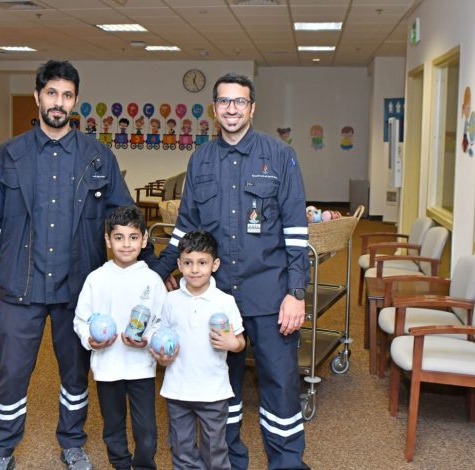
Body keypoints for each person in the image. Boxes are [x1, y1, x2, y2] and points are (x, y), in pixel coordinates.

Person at [0, 60, 150, 470]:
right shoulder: (10, 155)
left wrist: (153, 271)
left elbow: (126, 219)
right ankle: (2, 449)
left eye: (67, 95)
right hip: (20, 286)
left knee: (76, 374)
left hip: (77, 290)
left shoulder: (98, 157)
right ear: (38, 96)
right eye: (51, 93)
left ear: (75, 101)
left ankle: (72, 442)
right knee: (11, 373)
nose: (58, 102)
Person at [152, 72, 311, 470]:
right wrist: (155, 273)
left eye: (240, 101)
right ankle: (230, 462)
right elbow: (186, 229)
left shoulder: (280, 155)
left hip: (270, 295)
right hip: (217, 299)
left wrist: (296, 293)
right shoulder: (201, 160)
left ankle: (287, 463)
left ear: (252, 108)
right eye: (224, 101)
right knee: (223, 388)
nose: (232, 108)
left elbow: (296, 231)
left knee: (280, 385)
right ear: (214, 109)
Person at [73, 205, 166, 470]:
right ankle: (120, 465)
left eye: (133, 237)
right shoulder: (96, 279)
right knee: (113, 426)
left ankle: (144, 465)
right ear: (108, 240)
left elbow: (162, 323)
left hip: (141, 367)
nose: (126, 244)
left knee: (146, 431)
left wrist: (147, 339)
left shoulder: (152, 280)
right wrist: (90, 340)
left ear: (144, 240)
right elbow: (81, 320)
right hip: (107, 367)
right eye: (119, 237)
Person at [152, 230, 245, 470]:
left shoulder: (225, 301)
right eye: (188, 263)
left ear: (215, 265)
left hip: (213, 392)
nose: (195, 269)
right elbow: (162, 338)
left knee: (215, 450)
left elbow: (240, 341)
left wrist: (232, 344)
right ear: (179, 264)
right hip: (177, 390)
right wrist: (161, 356)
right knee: (181, 449)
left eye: (202, 263)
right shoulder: (170, 300)